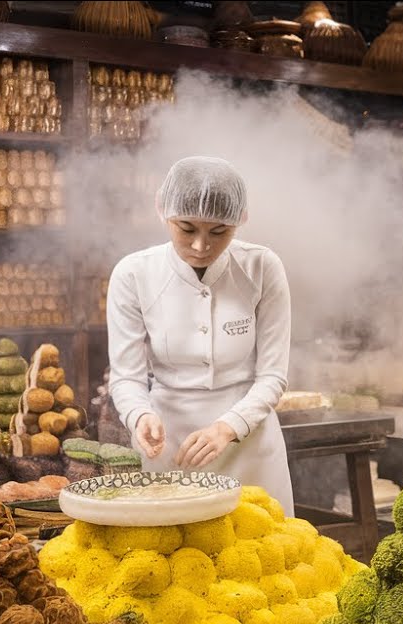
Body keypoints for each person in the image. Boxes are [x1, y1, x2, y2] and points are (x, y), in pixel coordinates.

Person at [107, 156, 295, 513]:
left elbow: (272, 376)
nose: (200, 246)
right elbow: (126, 378)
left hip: (250, 445)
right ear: (163, 212)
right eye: (187, 228)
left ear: (241, 220)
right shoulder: (134, 274)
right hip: (171, 445)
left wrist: (227, 428)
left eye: (219, 231)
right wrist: (138, 416)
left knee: (266, 557)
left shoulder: (261, 266)